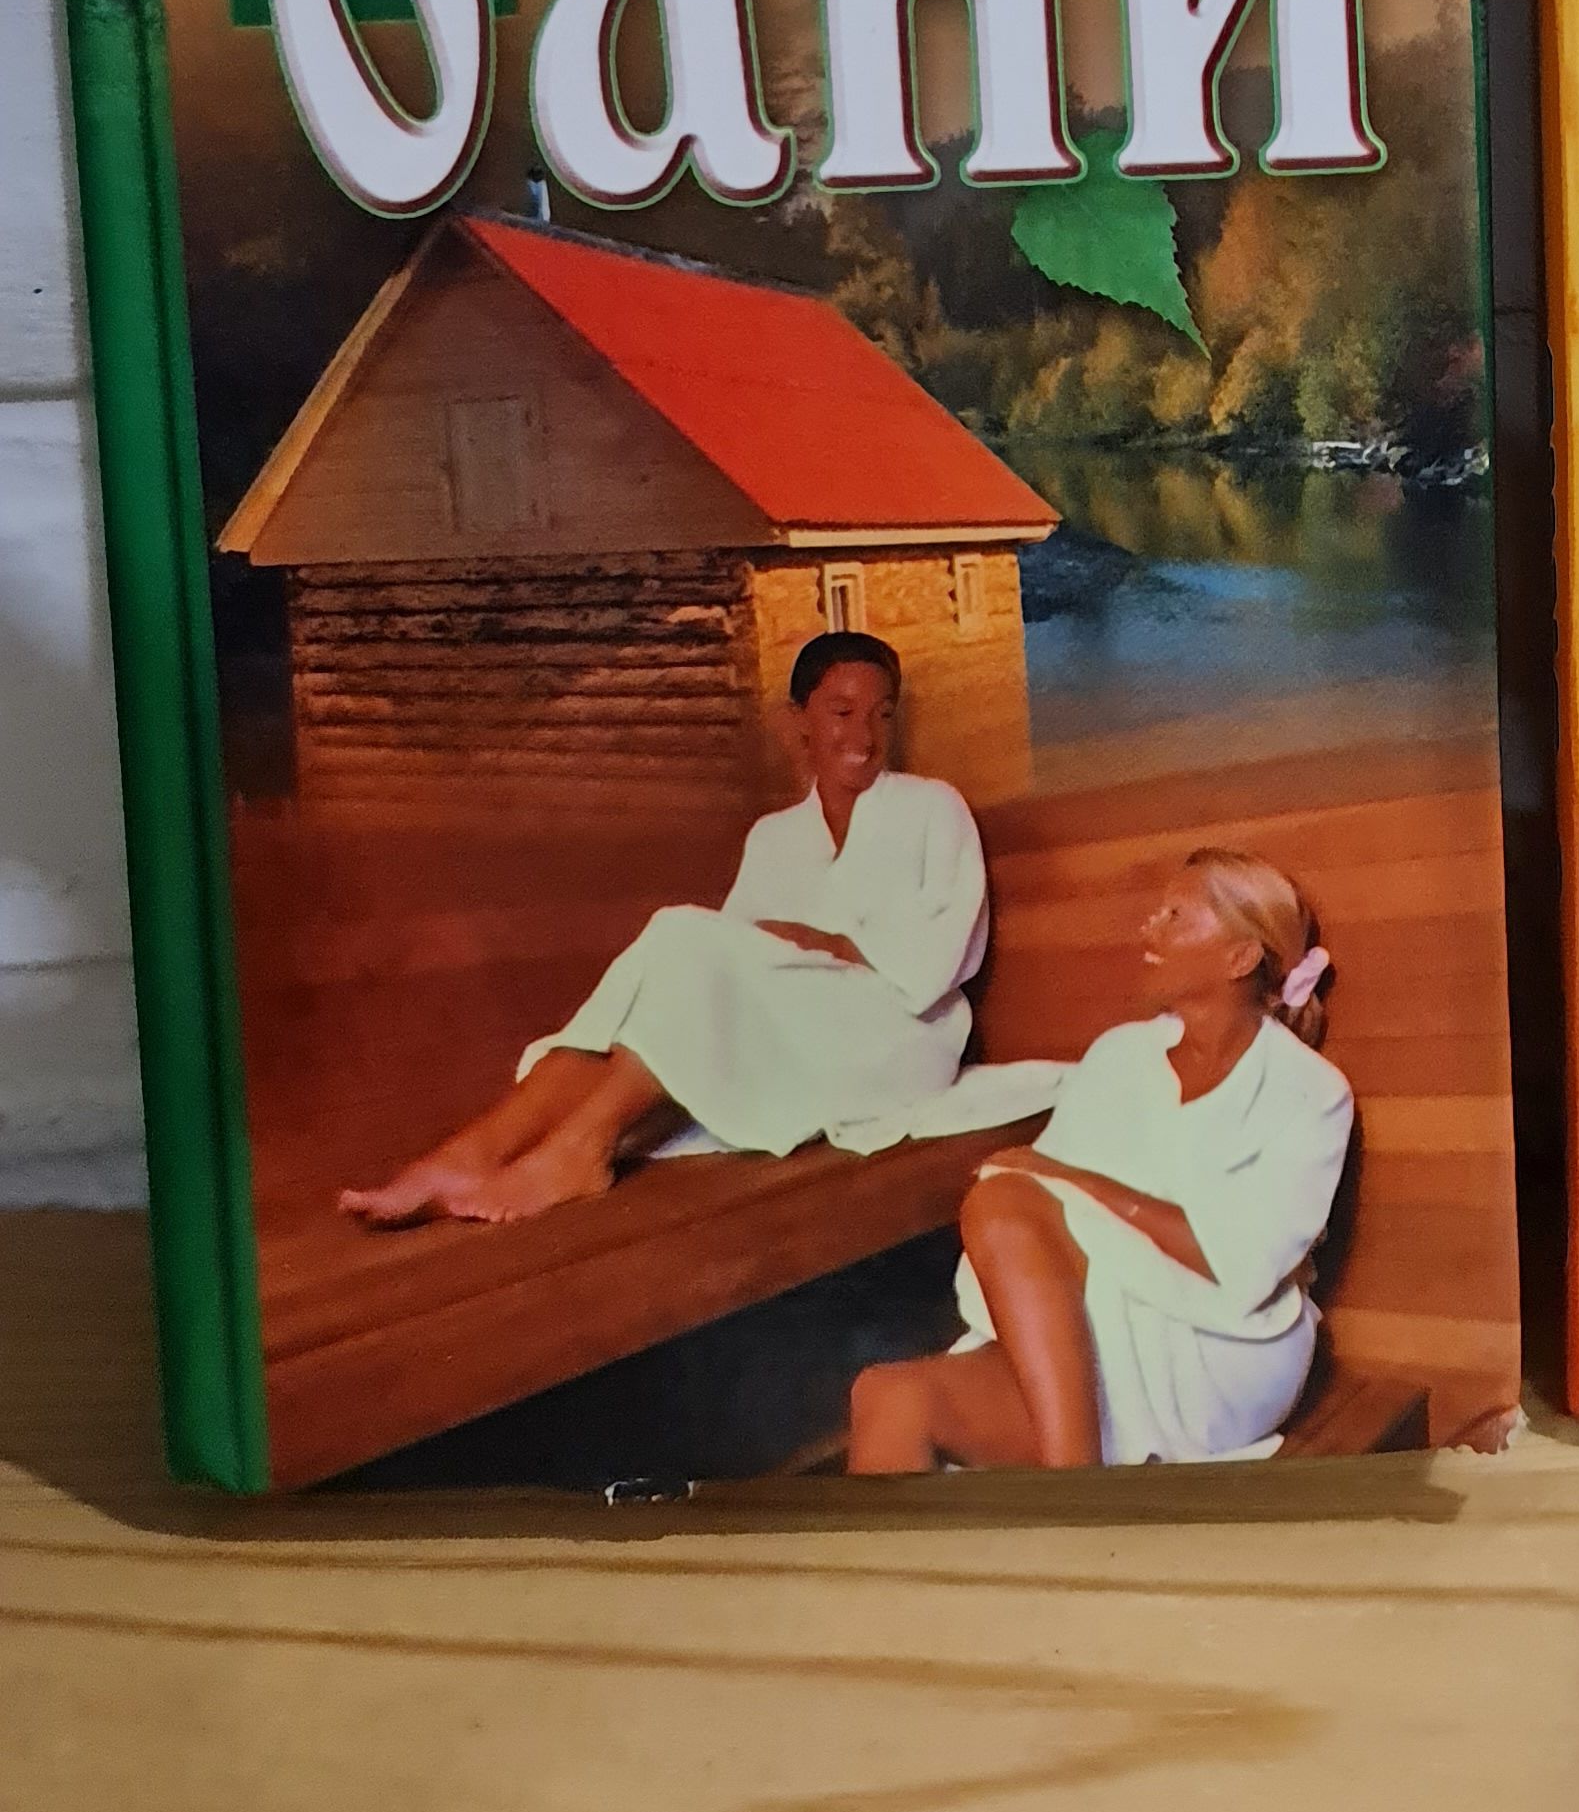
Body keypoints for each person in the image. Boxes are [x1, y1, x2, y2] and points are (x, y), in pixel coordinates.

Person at [337, 631, 988, 1226]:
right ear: (799, 723)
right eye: (842, 712)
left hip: (897, 1042)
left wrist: (826, 944)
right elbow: (719, 982)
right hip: (798, 1040)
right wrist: (778, 954)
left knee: (679, 934)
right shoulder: (774, 838)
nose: (865, 734)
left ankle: (579, 1147)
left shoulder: (933, 808)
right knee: (672, 967)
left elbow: (939, 959)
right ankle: (474, 1151)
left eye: (882, 713)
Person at [845, 849, 1356, 1472]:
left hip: (1218, 1352)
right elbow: (1037, 1221)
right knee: (887, 1397)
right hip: (1097, 1325)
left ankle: (1076, 1497)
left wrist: (1071, 1180)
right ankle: (1075, 1484)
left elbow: (1241, 1268)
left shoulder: (1310, 1091)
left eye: (1175, 915)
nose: (1149, 928)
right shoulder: (1119, 1056)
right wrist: (1053, 1187)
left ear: (1240, 957)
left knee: (1004, 1201)